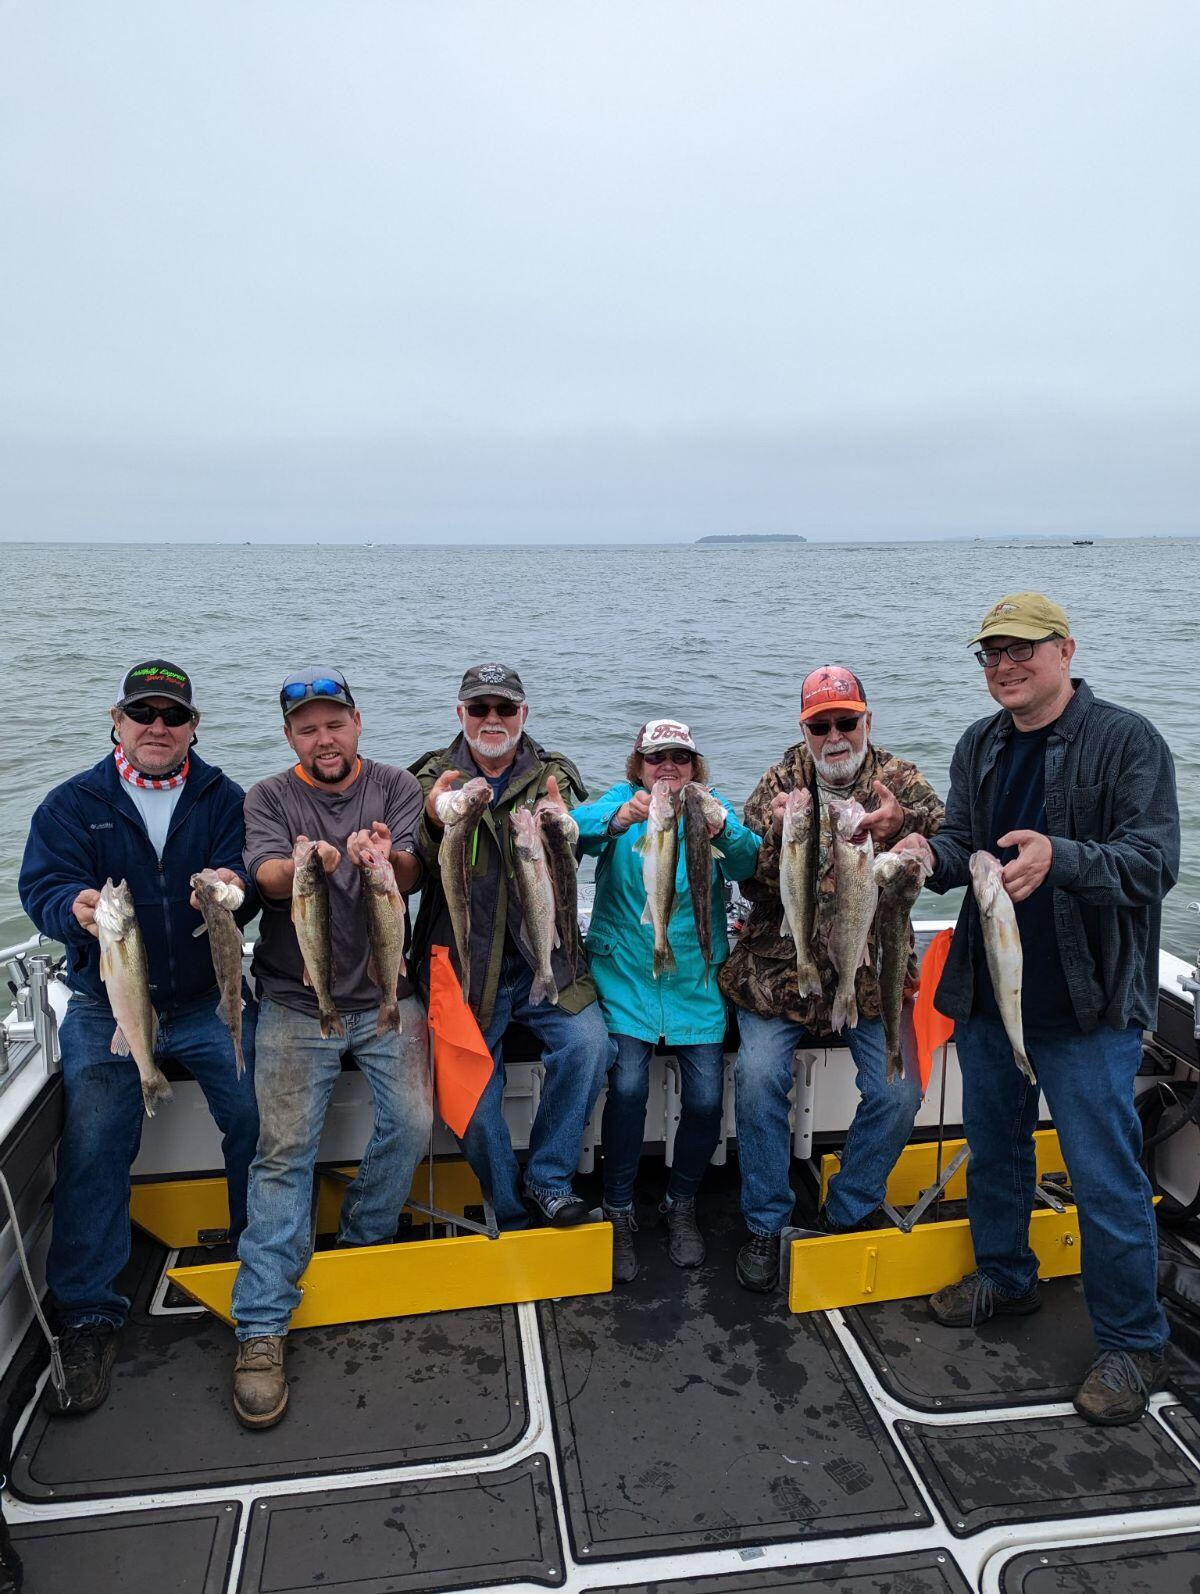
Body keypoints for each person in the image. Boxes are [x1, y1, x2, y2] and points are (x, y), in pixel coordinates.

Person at [890, 592, 1180, 1425]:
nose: (1005, 666)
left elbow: (1152, 863)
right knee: (996, 1151)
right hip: (990, 994)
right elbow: (963, 842)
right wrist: (923, 850)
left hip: (1088, 1007)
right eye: (990, 653)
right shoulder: (979, 744)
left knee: (1105, 1177)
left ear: (1065, 651)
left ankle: (1131, 1343)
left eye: (1022, 650)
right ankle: (1007, 1277)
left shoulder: (1127, 740)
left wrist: (1064, 858)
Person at [19, 660, 258, 1416]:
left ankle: (260, 1258)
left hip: (205, 999)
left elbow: (248, 875)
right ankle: (87, 1309)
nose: (158, 727)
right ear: (116, 722)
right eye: (143, 713)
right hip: (104, 1000)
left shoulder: (224, 798)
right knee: (94, 1136)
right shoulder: (72, 803)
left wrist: (232, 889)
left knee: (259, 1115)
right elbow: (42, 886)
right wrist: (73, 907)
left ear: (193, 726)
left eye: (174, 716)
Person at [230, 666, 432, 1430]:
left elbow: (410, 872)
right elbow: (270, 878)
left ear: (356, 723)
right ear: (290, 737)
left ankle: (360, 1242)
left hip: (387, 994)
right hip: (294, 1001)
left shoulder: (393, 787)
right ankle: (259, 1330)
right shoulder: (269, 798)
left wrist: (387, 857)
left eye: (334, 723)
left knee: (412, 1123)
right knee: (282, 1154)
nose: (324, 738)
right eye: (308, 728)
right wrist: (304, 864)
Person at [720, 666, 945, 1291]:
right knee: (759, 1076)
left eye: (847, 722)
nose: (834, 736)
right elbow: (750, 871)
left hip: (870, 975)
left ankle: (848, 1210)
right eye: (820, 726)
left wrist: (902, 832)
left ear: (867, 721)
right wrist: (779, 828)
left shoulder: (900, 782)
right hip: (778, 969)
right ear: (805, 730)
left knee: (900, 1093)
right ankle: (766, 1222)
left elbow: (946, 841)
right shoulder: (779, 782)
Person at [410, 664, 612, 1230]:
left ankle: (550, 1179)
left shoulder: (552, 773)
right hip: (462, 969)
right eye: (480, 709)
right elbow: (422, 828)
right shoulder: (432, 775)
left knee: (591, 1047)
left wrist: (561, 823)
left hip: (546, 959)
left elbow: (571, 808)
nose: (492, 719)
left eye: (505, 709)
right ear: (461, 716)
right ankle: (509, 1200)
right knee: (470, 1100)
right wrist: (437, 815)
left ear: (524, 714)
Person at [573, 718, 760, 1282]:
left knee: (706, 1099)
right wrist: (614, 818)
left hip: (693, 982)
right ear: (638, 766)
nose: (668, 767)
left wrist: (724, 827)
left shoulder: (710, 806)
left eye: (680, 757)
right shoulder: (619, 805)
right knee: (626, 1086)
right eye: (656, 758)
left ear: (695, 766)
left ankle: (682, 1203)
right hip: (626, 975)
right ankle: (620, 1207)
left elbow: (751, 861)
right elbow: (569, 831)